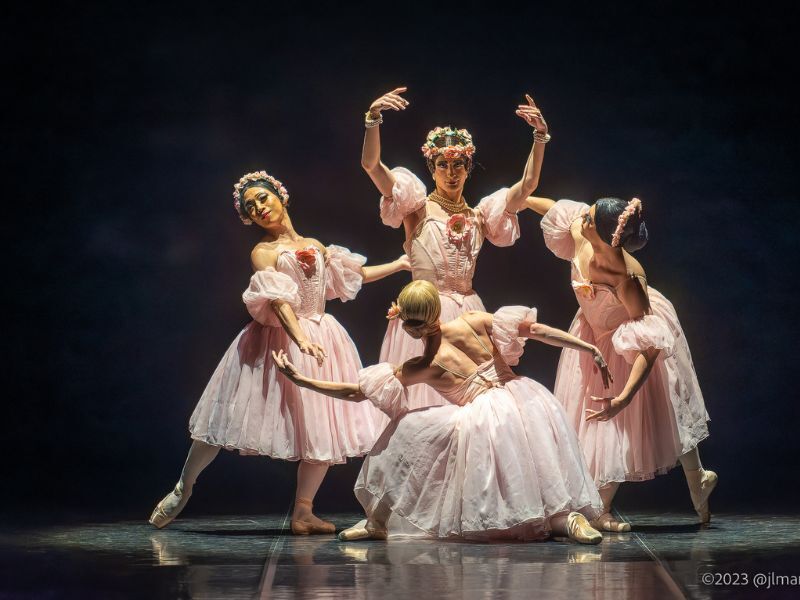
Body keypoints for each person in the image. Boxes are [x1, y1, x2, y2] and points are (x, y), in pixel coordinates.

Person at [149, 170, 408, 534]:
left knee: (324, 426)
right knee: (225, 416)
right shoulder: (263, 252)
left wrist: (398, 264)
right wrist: (299, 338)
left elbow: (352, 276)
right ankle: (184, 486)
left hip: (322, 335)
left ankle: (303, 512)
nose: (259, 207)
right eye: (250, 206)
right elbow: (278, 300)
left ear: (281, 197)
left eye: (262, 198)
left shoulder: (315, 244)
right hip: (274, 341)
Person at [272, 280, 613, 544]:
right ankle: (568, 519)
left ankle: (378, 520)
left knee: (406, 429)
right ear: (436, 311)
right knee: (538, 469)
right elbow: (535, 330)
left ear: (407, 325)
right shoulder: (472, 321)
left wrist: (302, 380)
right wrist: (587, 347)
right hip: (527, 398)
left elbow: (356, 392)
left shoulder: (424, 364)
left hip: (487, 416)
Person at [527, 195, 717, 530]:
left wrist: (625, 397)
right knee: (638, 413)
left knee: (651, 410)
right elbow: (556, 208)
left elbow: (649, 347)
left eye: (590, 218)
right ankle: (695, 478)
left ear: (607, 237)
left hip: (626, 338)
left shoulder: (628, 279)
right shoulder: (581, 233)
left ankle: (605, 507)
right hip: (592, 333)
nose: (582, 218)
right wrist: (518, 199)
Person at [360, 87, 550, 410]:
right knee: (424, 406)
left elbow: (528, 185)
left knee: (474, 406)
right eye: (442, 165)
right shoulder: (416, 207)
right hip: (426, 313)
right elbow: (372, 165)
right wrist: (373, 119)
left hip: (468, 315)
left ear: (468, 166)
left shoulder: (480, 215)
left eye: (459, 164)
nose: (451, 173)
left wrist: (540, 137)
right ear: (432, 168)